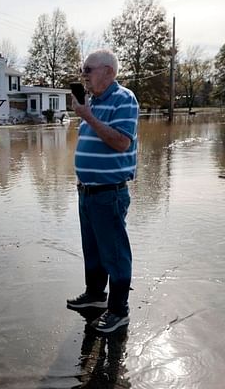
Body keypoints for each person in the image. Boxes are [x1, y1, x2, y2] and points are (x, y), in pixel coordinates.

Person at [66, 49, 138, 333]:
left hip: (109, 192)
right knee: (93, 250)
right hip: (87, 192)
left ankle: (119, 311)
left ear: (108, 71)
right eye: (83, 70)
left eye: (88, 70)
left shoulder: (124, 99)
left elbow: (121, 142)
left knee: (115, 254)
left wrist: (88, 116)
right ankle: (95, 297)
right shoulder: (91, 102)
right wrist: (87, 113)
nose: (84, 75)